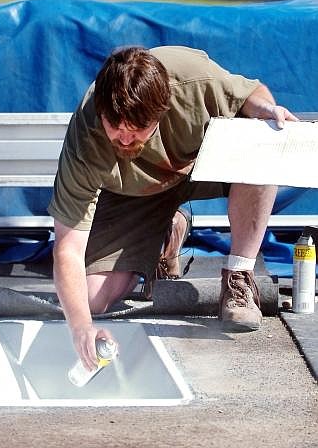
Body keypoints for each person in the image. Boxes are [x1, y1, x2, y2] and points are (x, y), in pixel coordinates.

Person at [48, 46, 297, 371]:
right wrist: (81, 329)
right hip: (132, 195)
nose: (124, 139)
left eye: (137, 128)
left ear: (162, 111)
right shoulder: (87, 135)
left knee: (261, 138)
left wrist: (266, 108)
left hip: (198, 168)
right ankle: (167, 233)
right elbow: (67, 249)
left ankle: (238, 275)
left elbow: (251, 92)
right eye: (115, 127)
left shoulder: (193, 80)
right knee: (90, 299)